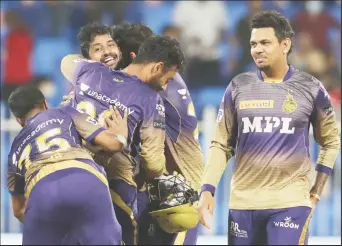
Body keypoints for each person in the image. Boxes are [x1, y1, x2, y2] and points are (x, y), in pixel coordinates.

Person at [197, 10, 340, 245]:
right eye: (253, 44)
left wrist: (316, 190)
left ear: (285, 45)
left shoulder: (310, 87)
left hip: (290, 204)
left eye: (265, 42)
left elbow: (331, 141)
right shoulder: (238, 87)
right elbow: (221, 144)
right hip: (242, 204)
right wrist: (207, 189)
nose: (257, 49)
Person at [61, 34, 186, 245]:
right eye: (169, 78)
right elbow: (154, 164)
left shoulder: (89, 71)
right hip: (113, 183)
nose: (166, 86)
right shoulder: (150, 99)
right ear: (157, 67)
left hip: (67, 172)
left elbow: (66, 61)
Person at [111, 22, 204, 245]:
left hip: (175, 196)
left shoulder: (155, 88)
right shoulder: (164, 79)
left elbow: (152, 160)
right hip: (173, 187)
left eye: (116, 55)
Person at [7, 85, 129, 245]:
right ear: (45, 103)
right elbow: (113, 144)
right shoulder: (65, 112)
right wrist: (121, 135)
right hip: (86, 180)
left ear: (19, 120)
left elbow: (19, 211)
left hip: (43, 190)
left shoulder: (15, 149)